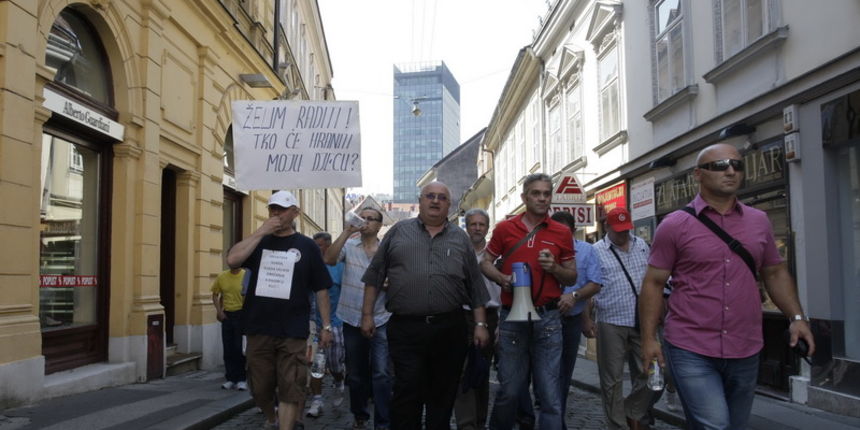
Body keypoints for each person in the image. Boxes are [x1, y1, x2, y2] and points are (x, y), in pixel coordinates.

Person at [640, 143, 815, 430]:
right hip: (690, 345)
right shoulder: (674, 224)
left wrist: (796, 318)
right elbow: (654, 283)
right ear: (698, 174)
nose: (731, 171)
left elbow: (774, 272)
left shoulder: (759, 221)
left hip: (745, 345)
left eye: (737, 165)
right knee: (714, 425)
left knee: (734, 425)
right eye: (720, 166)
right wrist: (649, 339)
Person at [361, 182, 490, 430]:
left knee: (443, 392)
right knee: (407, 389)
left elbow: (475, 285)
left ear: (448, 205)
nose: (435, 201)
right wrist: (367, 315)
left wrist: (481, 324)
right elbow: (375, 275)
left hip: (448, 328)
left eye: (442, 197)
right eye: (429, 196)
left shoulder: (459, 238)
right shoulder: (398, 232)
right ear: (420, 201)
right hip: (406, 328)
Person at [226, 190, 333, 430]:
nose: (276, 213)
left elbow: (321, 289)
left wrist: (326, 326)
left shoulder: (307, 246)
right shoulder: (259, 241)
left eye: (282, 209)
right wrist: (261, 231)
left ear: (295, 212)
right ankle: (271, 418)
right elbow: (233, 260)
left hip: (292, 329)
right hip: (258, 326)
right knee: (260, 386)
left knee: (291, 386)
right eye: (273, 208)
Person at [483, 173, 578, 430]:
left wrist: (555, 268)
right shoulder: (505, 228)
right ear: (525, 197)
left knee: (550, 394)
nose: (542, 198)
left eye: (547, 194)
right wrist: (502, 278)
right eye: (536, 193)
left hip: (548, 319)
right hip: (512, 317)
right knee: (510, 391)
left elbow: (572, 277)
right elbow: (485, 263)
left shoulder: (561, 232)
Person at [324, 207, 393, 430]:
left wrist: (387, 284)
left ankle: (383, 422)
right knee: (355, 373)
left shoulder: (387, 251)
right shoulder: (349, 245)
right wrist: (346, 231)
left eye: (370, 219)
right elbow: (329, 259)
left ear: (379, 225)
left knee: (381, 373)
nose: (365, 222)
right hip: (351, 317)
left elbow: (397, 280)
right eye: (361, 217)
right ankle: (360, 415)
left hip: (381, 317)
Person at [589, 207, 658, 430]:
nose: (623, 234)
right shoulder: (596, 251)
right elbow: (588, 287)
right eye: (618, 230)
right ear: (606, 227)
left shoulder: (642, 246)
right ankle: (618, 426)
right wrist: (586, 319)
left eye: (626, 229)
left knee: (656, 374)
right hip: (611, 321)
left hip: (643, 321)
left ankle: (631, 410)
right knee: (612, 381)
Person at [549, 211, 603, 430]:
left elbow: (595, 283)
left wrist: (574, 297)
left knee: (563, 372)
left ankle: (556, 418)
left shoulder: (587, 250)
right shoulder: (545, 249)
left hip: (570, 321)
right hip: (546, 319)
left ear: (571, 231)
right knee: (545, 371)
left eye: (563, 232)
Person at [453, 208, 501, 430]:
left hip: (492, 317)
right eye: (473, 224)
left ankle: (480, 421)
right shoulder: (458, 253)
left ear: (487, 227)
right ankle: (466, 424)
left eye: (482, 224)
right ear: (466, 226)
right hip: (462, 315)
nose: (477, 228)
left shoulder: (497, 255)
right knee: (462, 370)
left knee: (482, 370)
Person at [306, 232, 346, 418]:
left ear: (328, 246)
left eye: (319, 246)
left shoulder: (339, 266)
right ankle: (317, 400)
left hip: (336, 322)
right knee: (317, 363)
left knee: (335, 363)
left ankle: (339, 380)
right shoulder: (309, 265)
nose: (316, 249)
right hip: (314, 324)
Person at [211, 267, 248, 391]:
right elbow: (215, 294)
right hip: (227, 315)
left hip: (241, 314)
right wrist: (219, 311)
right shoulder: (222, 276)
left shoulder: (245, 275)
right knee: (228, 348)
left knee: (239, 348)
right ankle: (230, 378)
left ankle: (242, 379)